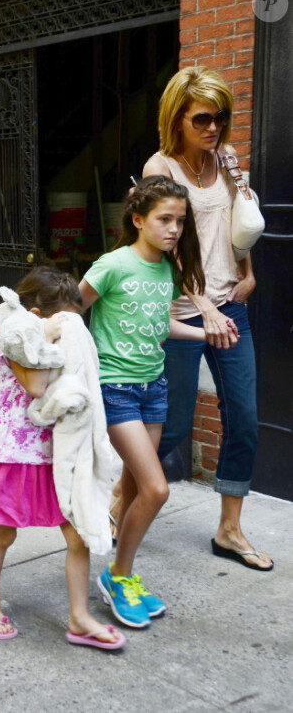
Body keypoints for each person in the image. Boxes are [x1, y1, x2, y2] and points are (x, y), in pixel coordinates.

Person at [143, 67, 273, 571]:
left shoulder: (228, 159)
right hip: (183, 311)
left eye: (220, 117)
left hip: (231, 305)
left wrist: (248, 271)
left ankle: (229, 529)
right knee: (171, 428)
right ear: (177, 118)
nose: (213, 127)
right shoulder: (163, 167)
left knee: (243, 419)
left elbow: (242, 220)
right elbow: (167, 245)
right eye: (202, 118)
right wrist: (205, 308)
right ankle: (116, 503)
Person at [0, 266, 126, 651]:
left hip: (54, 451)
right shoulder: (17, 338)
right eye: (64, 319)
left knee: (77, 534)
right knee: (4, 532)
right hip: (16, 451)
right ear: (37, 316)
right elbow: (37, 386)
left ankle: (79, 616)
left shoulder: (49, 335)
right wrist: (55, 338)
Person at [79, 176, 209, 628]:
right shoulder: (113, 264)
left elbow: (159, 326)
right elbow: (70, 309)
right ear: (138, 220)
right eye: (164, 219)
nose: (174, 229)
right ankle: (119, 575)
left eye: (180, 221)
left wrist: (204, 331)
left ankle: (122, 575)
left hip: (153, 387)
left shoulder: (166, 271)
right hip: (115, 388)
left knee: (136, 484)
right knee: (157, 488)